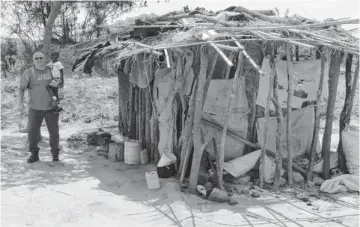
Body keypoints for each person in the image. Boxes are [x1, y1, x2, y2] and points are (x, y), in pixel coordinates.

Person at [18, 51, 61, 163]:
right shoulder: (29, 72)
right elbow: (21, 88)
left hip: (51, 108)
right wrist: (20, 103)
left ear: (44, 58)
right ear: (33, 60)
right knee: (32, 132)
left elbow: (60, 83)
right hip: (35, 109)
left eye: (41, 57)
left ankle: (55, 155)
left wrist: (57, 82)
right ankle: (34, 154)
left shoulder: (51, 70)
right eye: (36, 58)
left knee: (54, 133)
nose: (39, 60)